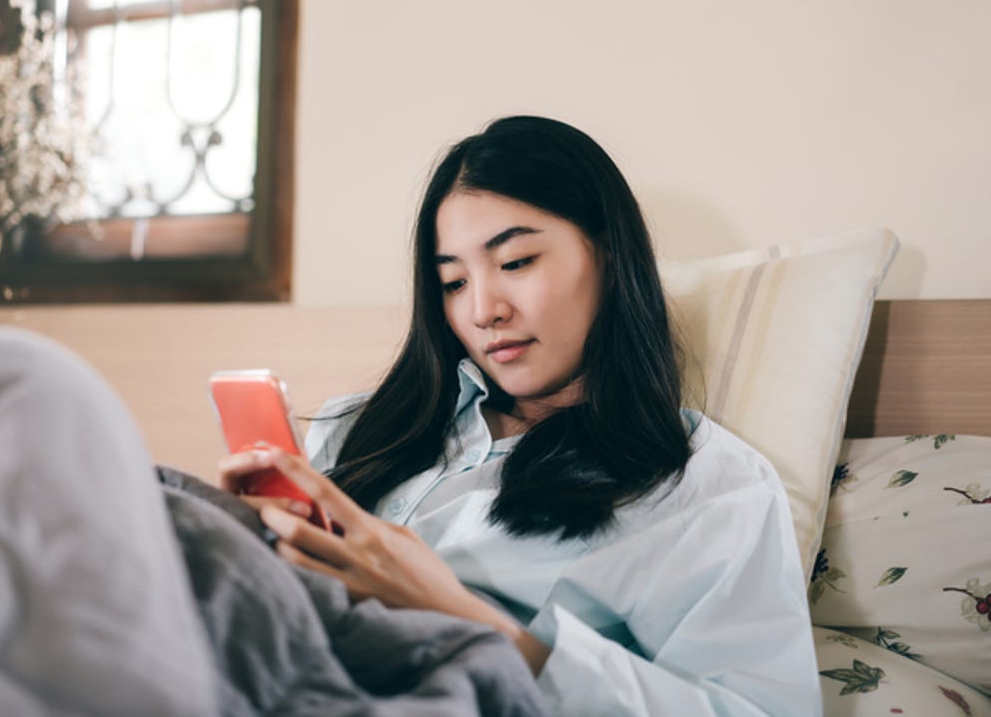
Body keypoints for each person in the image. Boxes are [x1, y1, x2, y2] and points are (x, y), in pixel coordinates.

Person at [220, 115, 822, 716]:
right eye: (453, 282)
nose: (483, 310)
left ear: (609, 257)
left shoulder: (701, 485)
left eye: (515, 263)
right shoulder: (357, 430)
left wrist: (460, 618)